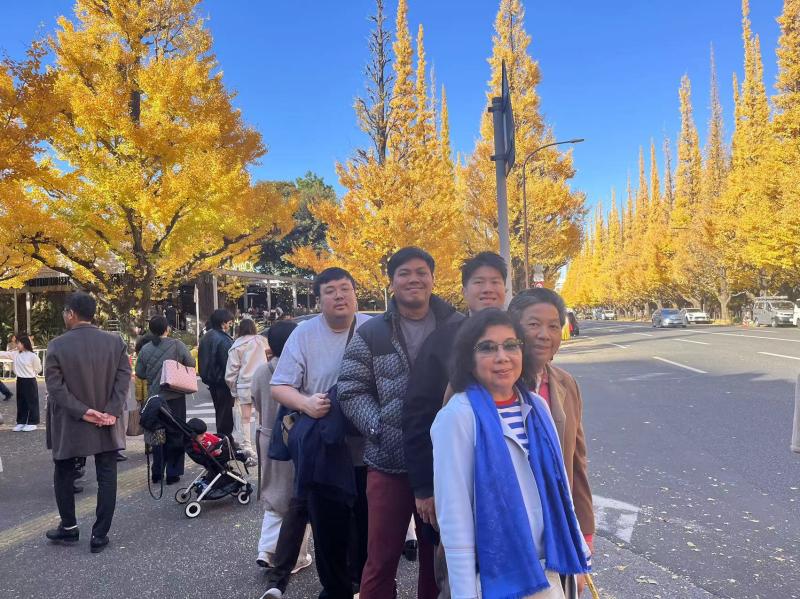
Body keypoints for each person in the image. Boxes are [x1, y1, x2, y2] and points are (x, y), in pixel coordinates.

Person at [431, 308, 590, 599]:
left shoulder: (538, 409)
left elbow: (561, 491)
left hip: (552, 568)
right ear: (469, 358)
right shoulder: (458, 417)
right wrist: (465, 593)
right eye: (487, 348)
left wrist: (578, 554)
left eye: (511, 345)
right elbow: (454, 516)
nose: (502, 357)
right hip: (496, 576)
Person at [338, 247, 462, 599]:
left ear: (433, 278)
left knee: (435, 555)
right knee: (381, 556)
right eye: (404, 273)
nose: (414, 279)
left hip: (443, 462)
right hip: (388, 464)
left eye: (422, 271)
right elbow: (350, 388)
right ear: (391, 282)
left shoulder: (457, 327)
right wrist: (379, 427)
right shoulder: (373, 332)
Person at [402, 251, 507, 596]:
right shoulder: (444, 342)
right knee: (457, 574)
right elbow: (417, 416)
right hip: (459, 485)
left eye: (495, 282)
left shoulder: (517, 339)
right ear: (464, 291)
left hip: (511, 488)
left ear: (505, 289)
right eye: (479, 282)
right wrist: (424, 488)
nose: (488, 289)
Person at [266, 267, 371, 599]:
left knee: (368, 527)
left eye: (345, 288)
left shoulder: (374, 328)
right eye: (330, 290)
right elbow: (279, 386)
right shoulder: (305, 333)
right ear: (319, 298)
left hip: (370, 449)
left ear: (356, 293)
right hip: (324, 452)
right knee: (328, 530)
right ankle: (336, 588)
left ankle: (363, 585)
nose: (339, 295)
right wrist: (307, 403)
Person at [508, 288, 595, 595]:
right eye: (533, 324)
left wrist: (584, 538)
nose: (544, 334)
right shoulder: (482, 382)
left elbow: (576, 463)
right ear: (514, 328)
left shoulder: (565, 384)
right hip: (503, 534)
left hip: (556, 534)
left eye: (554, 325)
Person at [44, 292, 131, 554]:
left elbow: (55, 388)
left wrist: (83, 412)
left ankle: (69, 527)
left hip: (71, 421)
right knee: (107, 473)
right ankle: (100, 534)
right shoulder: (115, 342)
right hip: (106, 419)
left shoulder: (57, 346)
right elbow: (123, 377)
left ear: (71, 313)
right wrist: (112, 411)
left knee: (63, 470)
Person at [251, 320, 312, 575]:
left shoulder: (262, 371)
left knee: (274, 495)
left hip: (267, 436)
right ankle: (295, 556)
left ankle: (266, 549)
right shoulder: (300, 371)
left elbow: (254, 400)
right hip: (294, 438)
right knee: (298, 498)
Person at [135, 315, 195, 485]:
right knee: (176, 432)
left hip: (155, 398)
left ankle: (157, 472)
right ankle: (173, 473)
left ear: (151, 330)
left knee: (158, 434)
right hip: (175, 395)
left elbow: (139, 372)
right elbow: (190, 363)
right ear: (167, 328)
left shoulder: (145, 349)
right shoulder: (177, 345)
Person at [226, 318, 269, 466]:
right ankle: (262, 447)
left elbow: (231, 372)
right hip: (262, 383)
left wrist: (233, 389)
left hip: (244, 385)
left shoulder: (236, 345)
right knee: (261, 417)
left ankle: (247, 447)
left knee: (245, 418)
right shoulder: (263, 341)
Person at [198, 309, 235, 441]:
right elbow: (228, 364)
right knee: (225, 417)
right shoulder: (223, 340)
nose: (231, 324)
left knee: (220, 413)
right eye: (229, 322)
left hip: (211, 380)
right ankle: (225, 443)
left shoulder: (206, 337)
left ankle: (223, 440)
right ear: (223, 323)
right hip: (222, 382)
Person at [0, 335, 43, 431]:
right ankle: (21, 422)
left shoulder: (33, 356)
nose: (17, 345)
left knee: (31, 402)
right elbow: (3, 354)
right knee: (21, 401)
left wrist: (30, 373)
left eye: (19, 343)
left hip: (30, 380)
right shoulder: (15, 354)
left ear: (24, 344)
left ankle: (33, 422)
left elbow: (38, 369)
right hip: (19, 380)